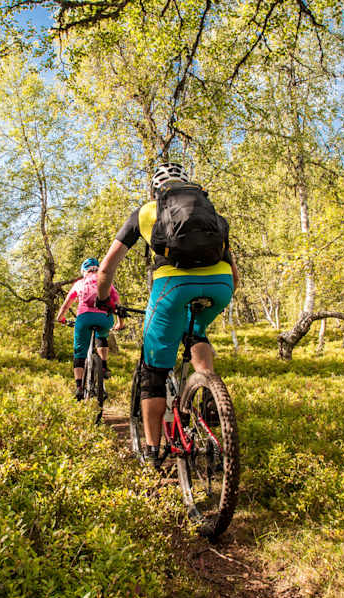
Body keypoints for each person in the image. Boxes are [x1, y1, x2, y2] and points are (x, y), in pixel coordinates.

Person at [95, 162, 240, 466]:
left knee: (154, 372)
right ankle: (207, 393)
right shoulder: (213, 214)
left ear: (157, 190)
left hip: (173, 286)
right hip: (221, 285)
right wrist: (218, 295)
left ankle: (151, 451)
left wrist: (104, 298)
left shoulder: (146, 212)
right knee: (196, 332)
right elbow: (234, 274)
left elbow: (106, 268)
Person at [56, 258, 125, 400]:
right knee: (102, 336)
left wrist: (60, 318)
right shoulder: (105, 282)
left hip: (84, 318)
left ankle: (79, 387)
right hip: (104, 319)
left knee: (79, 351)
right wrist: (120, 322)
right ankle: (104, 366)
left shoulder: (80, 283)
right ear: (97, 269)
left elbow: (66, 304)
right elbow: (117, 303)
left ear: (84, 271)